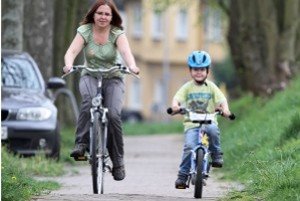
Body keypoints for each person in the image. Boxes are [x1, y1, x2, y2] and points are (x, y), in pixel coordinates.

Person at [63, 0, 140, 181]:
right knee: (89, 101)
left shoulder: (117, 33)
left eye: (107, 14)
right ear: (93, 14)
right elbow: (72, 52)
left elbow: (126, 53)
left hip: (113, 77)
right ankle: (81, 144)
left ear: (112, 17)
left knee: (113, 115)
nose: (103, 17)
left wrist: (132, 66)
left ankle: (118, 161)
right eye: (100, 13)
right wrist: (68, 65)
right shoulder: (85, 31)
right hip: (90, 75)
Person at [170, 50, 232, 189]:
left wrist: (226, 110)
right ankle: (183, 175)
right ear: (190, 71)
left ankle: (216, 154)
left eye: (202, 69)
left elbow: (222, 100)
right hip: (192, 125)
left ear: (207, 71)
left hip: (208, 122)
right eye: (195, 69)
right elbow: (177, 99)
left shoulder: (211, 87)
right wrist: (175, 107)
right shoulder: (187, 87)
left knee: (213, 130)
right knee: (189, 147)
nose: (199, 72)